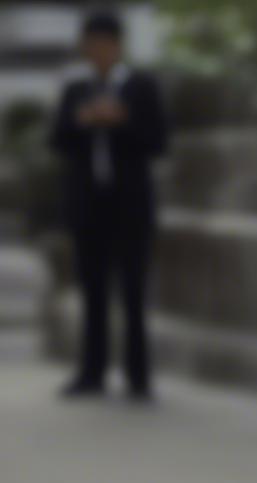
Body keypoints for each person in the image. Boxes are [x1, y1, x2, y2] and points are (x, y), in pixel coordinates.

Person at [51, 10, 168, 401]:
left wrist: (121, 121)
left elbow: (158, 141)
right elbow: (58, 140)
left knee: (133, 291)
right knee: (93, 291)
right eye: (90, 44)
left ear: (116, 45)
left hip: (131, 206)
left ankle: (138, 377)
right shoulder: (76, 90)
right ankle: (91, 372)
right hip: (89, 205)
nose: (95, 51)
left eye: (102, 43)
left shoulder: (141, 87)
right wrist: (84, 120)